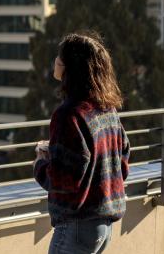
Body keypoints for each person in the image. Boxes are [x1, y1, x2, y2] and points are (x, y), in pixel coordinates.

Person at [33, 32, 131, 254]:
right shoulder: (107, 108)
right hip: (104, 224)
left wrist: (40, 162)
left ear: (69, 68)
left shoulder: (68, 114)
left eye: (60, 57)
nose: (56, 61)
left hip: (76, 226)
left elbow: (63, 181)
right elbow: (121, 159)